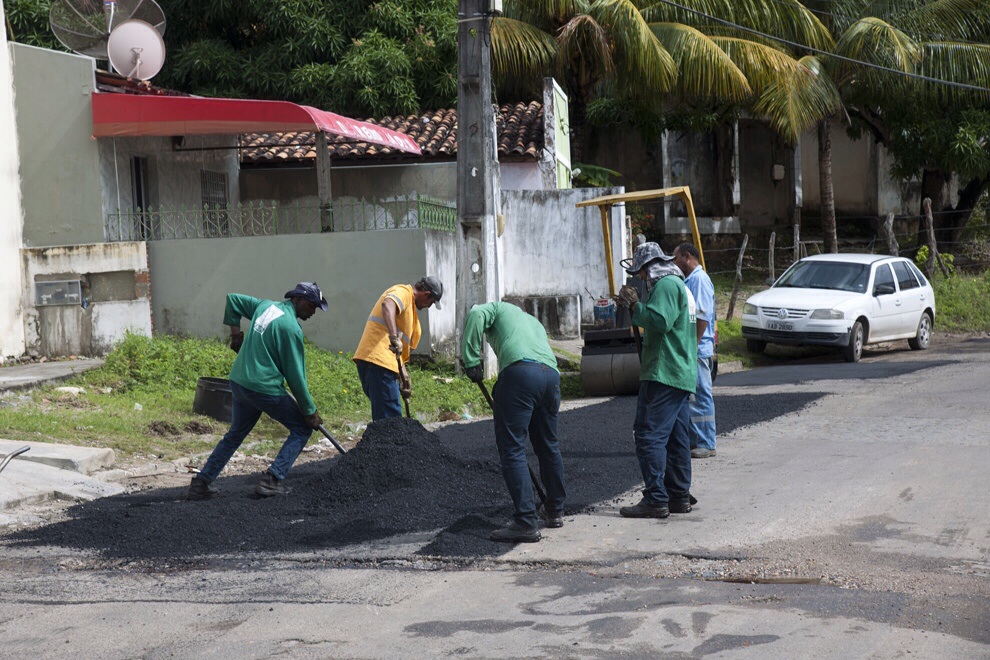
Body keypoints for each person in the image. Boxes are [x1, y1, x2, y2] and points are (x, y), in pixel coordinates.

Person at [187, 282, 327, 500]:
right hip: (264, 388)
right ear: (298, 300)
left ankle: (201, 483)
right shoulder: (291, 328)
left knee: (235, 434)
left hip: (240, 382)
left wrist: (235, 336)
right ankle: (272, 480)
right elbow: (296, 376)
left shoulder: (265, 306)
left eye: (316, 308)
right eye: (311, 306)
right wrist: (310, 411)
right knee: (301, 429)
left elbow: (233, 299)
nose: (313, 311)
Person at [462, 302, 566, 543]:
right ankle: (554, 509)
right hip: (550, 378)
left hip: (520, 375)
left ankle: (526, 521)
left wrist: (471, 360)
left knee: (512, 447)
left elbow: (476, 313)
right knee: (548, 445)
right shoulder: (533, 322)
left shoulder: (495, 308)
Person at [615, 242, 697, 518]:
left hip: (664, 372)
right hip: (678, 372)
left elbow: (660, 322)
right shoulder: (674, 285)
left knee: (648, 435)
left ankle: (656, 499)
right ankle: (678, 495)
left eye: (640, 272)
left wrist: (636, 306)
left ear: (649, 268)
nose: (640, 278)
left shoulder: (665, 286)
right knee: (676, 438)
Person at [354, 277, 443, 420]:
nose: (429, 306)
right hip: (378, 362)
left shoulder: (412, 317)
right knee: (390, 420)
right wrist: (393, 336)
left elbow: (400, 353)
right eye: (431, 302)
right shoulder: (404, 292)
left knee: (387, 416)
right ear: (426, 294)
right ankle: (386, 443)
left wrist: (404, 377)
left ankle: (385, 442)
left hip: (384, 366)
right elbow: (388, 304)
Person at [673, 242, 718, 459]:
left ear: (688, 257)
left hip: (697, 349)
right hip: (695, 347)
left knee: (700, 395)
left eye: (676, 258)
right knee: (692, 396)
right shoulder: (690, 280)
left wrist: (691, 346)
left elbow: (701, 316)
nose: (674, 263)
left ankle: (707, 443)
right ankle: (695, 440)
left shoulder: (699, 280)